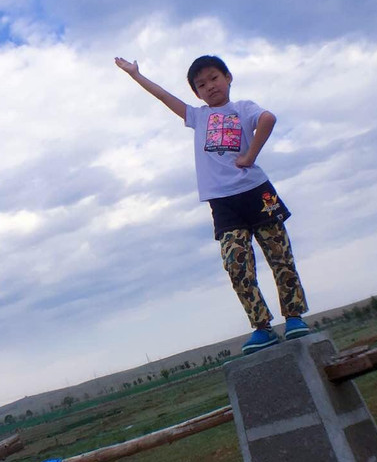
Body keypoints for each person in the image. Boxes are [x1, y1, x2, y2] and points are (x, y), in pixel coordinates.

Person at [114, 54, 311, 354]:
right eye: (201, 84)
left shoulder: (243, 108)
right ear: (196, 92)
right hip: (223, 203)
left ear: (228, 77)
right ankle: (262, 327)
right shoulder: (197, 116)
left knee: (279, 255)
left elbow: (268, 119)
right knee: (236, 264)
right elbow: (164, 96)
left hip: (257, 192)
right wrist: (135, 75)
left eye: (214, 78)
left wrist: (250, 156)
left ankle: (294, 317)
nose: (210, 86)